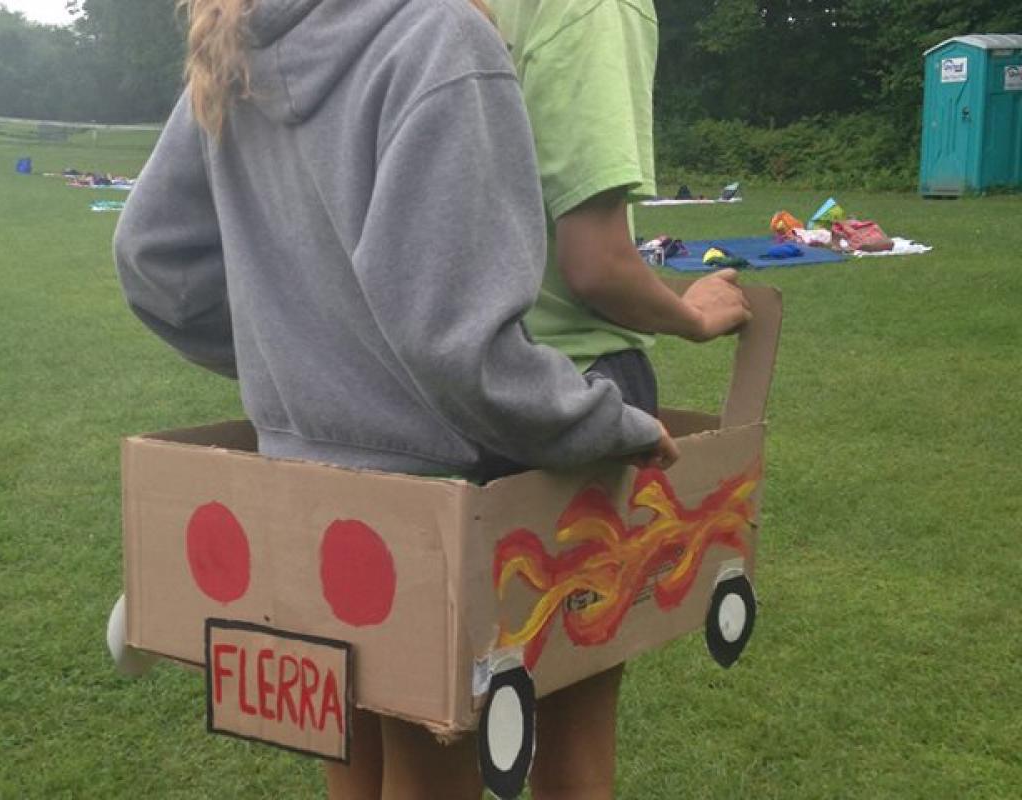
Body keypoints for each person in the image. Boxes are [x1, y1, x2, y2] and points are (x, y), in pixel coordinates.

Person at [114, 1, 683, 798]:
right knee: (433, 767)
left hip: (302, 472)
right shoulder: (439, 33)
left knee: (359, 762)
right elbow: (458, 342)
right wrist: (602, 423)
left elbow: (153, 261)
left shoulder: (243, 35)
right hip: (428, 484)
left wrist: (301, 362)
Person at [486, 1, 753, 798]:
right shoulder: (593, 6)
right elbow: (596, 264)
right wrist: (691, 315)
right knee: (572, 718)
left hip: (410, 389)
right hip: (568, 386)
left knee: (396, 722)